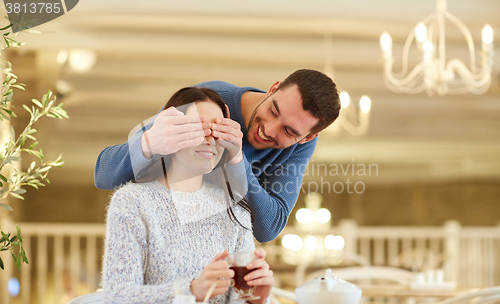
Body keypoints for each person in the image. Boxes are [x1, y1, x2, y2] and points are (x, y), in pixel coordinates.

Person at [95, 69, 341, 243]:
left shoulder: (299, 146)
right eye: (273, 110)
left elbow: (268, 228)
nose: (268, 130)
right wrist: (149, 143)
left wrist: (237, 160)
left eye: (289, 131)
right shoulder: (208, 102)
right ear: (273, 89)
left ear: (308, 138)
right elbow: (103, 175)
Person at [102, 87, 274, 304]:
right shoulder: (132, 202)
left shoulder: (235, 211)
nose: (210, 138)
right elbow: (117, 301)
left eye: (217, 129)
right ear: (169, 132)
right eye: (197, 128)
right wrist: (191, 291)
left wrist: (256, 299)